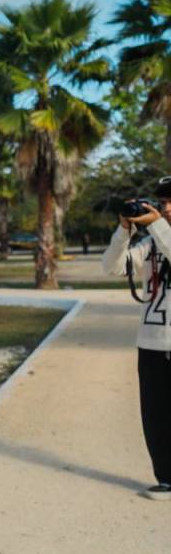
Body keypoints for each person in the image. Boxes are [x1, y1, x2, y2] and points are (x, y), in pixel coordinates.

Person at [101, 176, 171, 501]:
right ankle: (166, 478)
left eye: (170, 202)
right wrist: (124, 232)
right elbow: (112, 268)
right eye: (162, 202)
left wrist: (157, 225)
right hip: (152, 342)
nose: (165, 207)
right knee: (155, 415)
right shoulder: (153, 242)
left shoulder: (161, 235)